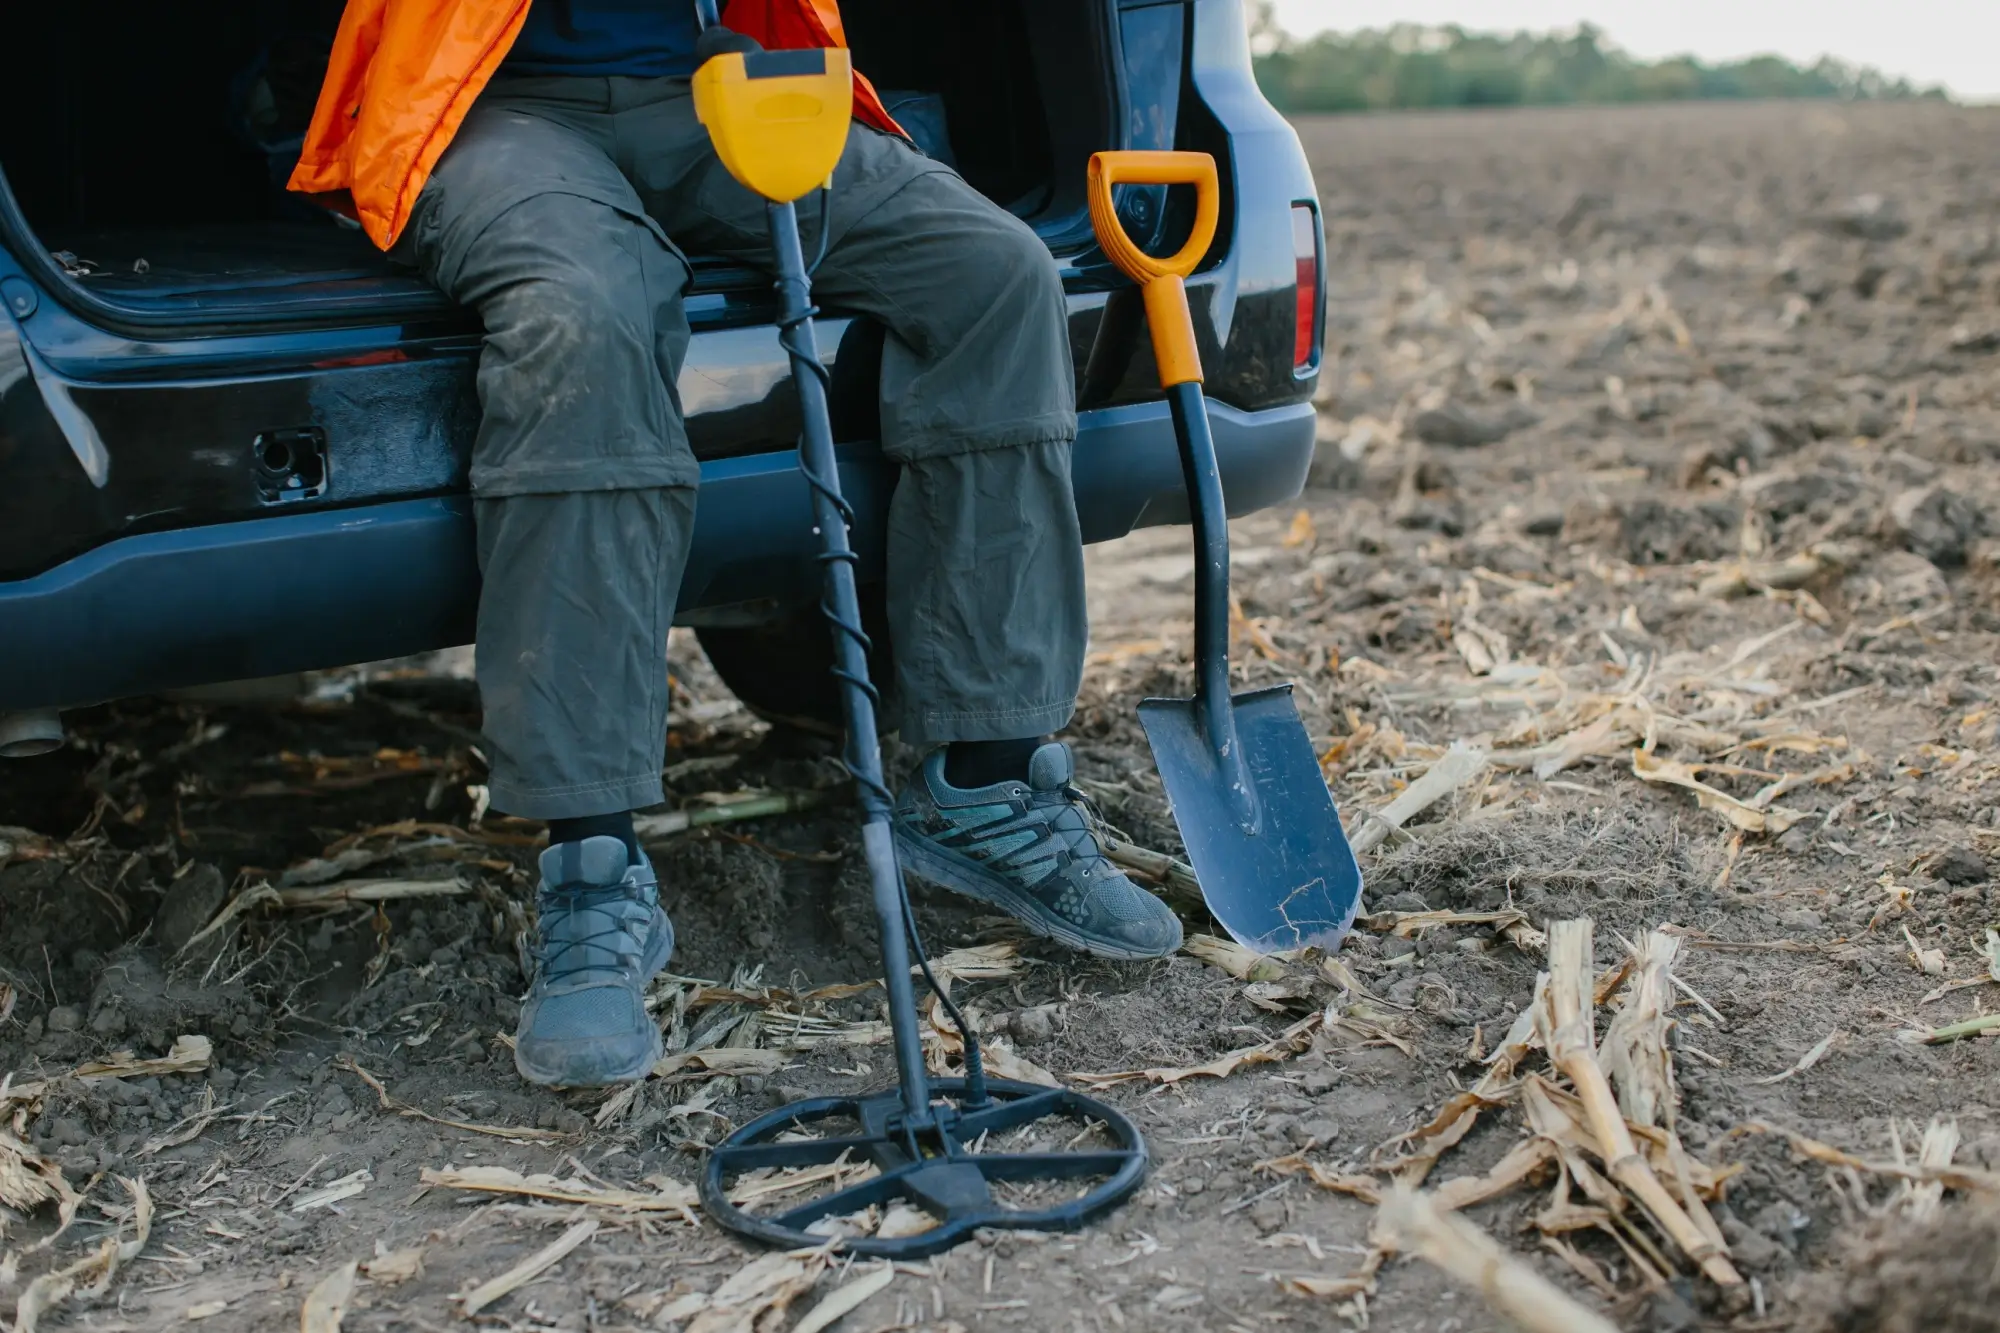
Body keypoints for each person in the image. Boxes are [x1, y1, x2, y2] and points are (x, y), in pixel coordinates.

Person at [290, 0, 1182, 1087]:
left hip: (720, 86)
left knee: (994, 275)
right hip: (484, 107)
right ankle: (591, 872)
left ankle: (986, 783)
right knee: (588, 310)